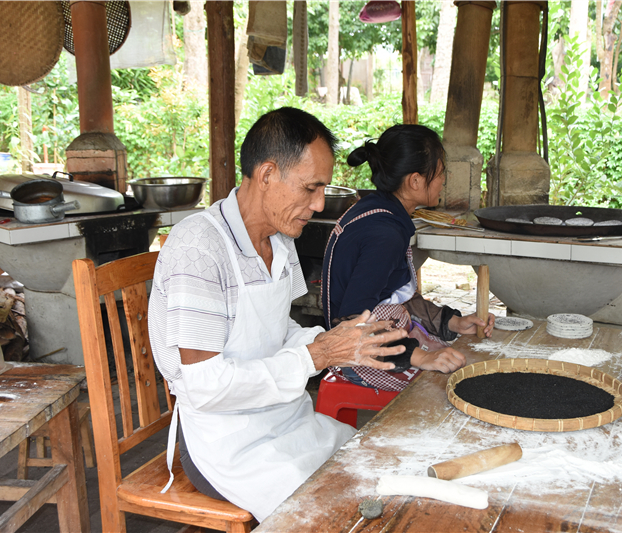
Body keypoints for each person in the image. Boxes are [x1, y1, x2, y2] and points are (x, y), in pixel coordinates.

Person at [148, 107, 409, 522]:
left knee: (373, 469)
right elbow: (205, 387)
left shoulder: (279, 239)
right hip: (227, 443)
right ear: (267, 175)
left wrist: (335, 344)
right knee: (331, 514)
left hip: (287, 419)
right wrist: (318, 355)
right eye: (310, 188)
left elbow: (277, 329)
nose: (319, 204)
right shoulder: (199, 248)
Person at [321, 124, 495, 391]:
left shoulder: (380, 210)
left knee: (463, 368)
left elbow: (395, 297)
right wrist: (421, 357)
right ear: (415, 181)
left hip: (387, 343)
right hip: (359, 358)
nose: (443, 180)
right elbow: (352, 322)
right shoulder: (384, 234)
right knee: (456, 387)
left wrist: (453, 322)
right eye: (440, 173)